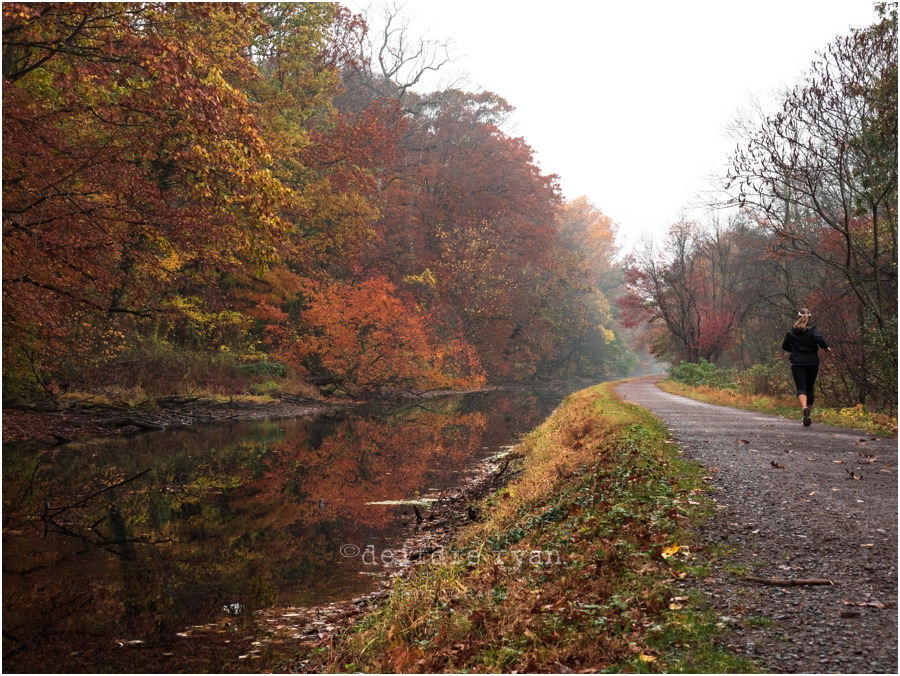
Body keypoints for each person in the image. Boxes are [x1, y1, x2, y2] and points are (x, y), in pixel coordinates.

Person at [781, 308, 831, 427]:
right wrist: (825, 347)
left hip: (797, 362)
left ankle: (804, 408)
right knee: (809, 388)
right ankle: (806, 416)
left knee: (801, 388)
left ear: (798, 317)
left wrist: (795, 350)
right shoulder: (813, 330)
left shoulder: (791, 331)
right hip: (812, 362)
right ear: (810, 317)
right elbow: (820, 339)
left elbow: (784, 345)